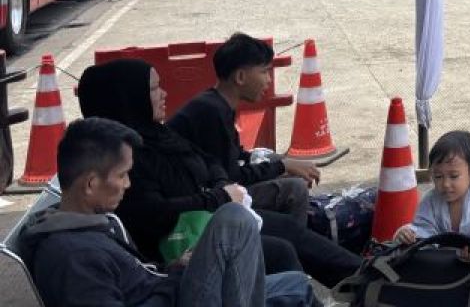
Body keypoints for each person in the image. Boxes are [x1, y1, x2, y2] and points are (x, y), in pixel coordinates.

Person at [77, 59, 361, 288]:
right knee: (280, 249)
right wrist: (219, 197)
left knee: (287, 228)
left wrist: (222, 188)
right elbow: (153, 213)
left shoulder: (159, 135)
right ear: (130, 98)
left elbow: (210, 162)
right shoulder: (124, 156)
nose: (163, 94)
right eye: (153, 89)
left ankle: (366, 277)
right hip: (178, 244)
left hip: (209, 218)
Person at [20, 117, 316, 307]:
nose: (128, 184)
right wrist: (177, 280)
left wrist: (177, 268)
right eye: (122, 175)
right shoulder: (71, 257)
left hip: (173, 288)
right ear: (91, 183)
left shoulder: (87, 224)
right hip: (175, 298)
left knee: (296, 284)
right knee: (233, 221)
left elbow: (138, 281)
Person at [168, 34, 319, 224]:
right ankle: (299, 243)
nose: (269, 80)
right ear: (240, 77)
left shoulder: (216, 104)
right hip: (203, 201)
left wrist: (282, 164)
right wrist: (283, 167)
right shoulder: (212, 112)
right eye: (264, 72)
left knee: (277, 160)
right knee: (294, 189)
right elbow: (231, 176)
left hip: (213, 185)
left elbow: (235, 156)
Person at [393, 131, 470, 258]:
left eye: (454, 176)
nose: (445, 184)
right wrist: (408, 234)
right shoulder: (430, 200)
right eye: (438, 176)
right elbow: (423, 231)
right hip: (445, 269)